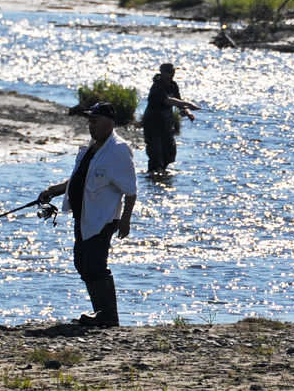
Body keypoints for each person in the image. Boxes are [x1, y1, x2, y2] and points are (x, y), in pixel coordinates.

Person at [38, 102, 137, 327]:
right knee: (82, 263)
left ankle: (108, 316)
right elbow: (77, 180)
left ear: (109, 123)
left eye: (95, 120)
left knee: (95, 264)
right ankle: (101, 312)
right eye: (90, 120)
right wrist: (53, 191)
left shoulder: (118, 151)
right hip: (83, 216)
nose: (90, 125)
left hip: (104, 218)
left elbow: (131, 191)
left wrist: (126, 220)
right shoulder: (90, 148)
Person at [142, 62, 199, 173]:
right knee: (155, 155)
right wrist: (189, 104)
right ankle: (153, 177)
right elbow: (168, 100)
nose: (171, 74)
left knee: (169, 153)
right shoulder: (157, 87)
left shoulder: (173, 85)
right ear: (162, 73)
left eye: (173, 71)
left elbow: (179, 101)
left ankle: (163, 175)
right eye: (168, 72)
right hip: (152, 123)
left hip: (166, 123)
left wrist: (188, 112)